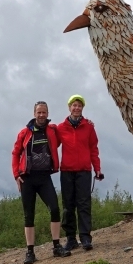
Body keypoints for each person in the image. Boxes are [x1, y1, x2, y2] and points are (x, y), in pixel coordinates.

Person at [11, 101, 71, 264]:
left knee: (54, 208)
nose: (42, 115)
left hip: (45, 177)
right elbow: (15, 153)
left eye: (44, 112)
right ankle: (30, 252)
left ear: (47, 113)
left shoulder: (52, 130)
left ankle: (57, 246)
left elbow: (66, 130)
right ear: (34, 113)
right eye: (39, 112)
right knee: (28, 214)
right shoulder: (24, 133)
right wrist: (16, 175)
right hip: (27, 178)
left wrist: (87, 122)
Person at [56, 94, 103, 251]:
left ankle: (85, 238)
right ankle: (71, 239)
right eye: (74, 105)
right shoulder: (60, 128)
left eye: (79, 105)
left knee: (84, 204)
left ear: (82, 108)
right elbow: (52, 143)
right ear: (69, 107)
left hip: (84, 171)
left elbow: (93, 149)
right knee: (68, 206)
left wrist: (97, 168)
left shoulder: (89, 127)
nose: (76, 108)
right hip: (67, 171)